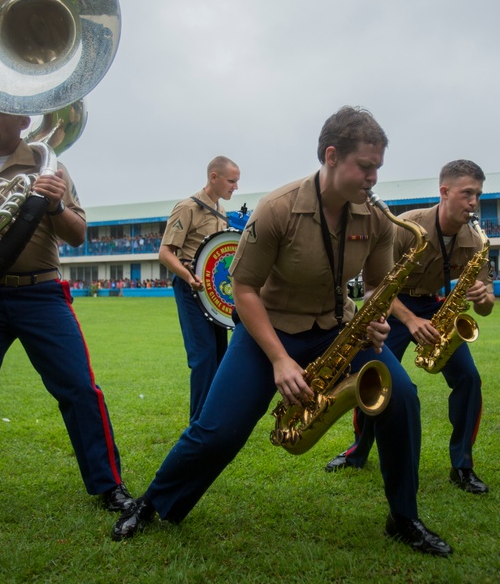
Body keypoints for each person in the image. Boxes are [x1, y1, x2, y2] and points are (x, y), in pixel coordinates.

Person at [112, 106, 452, 556]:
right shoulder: (278, 208)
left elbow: (375, 286)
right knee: (217, 431)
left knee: (402, 396)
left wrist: (375, 314)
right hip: (266, 331)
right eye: (365, 167)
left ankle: (403, 517)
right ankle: (153, 504)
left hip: (336, 329)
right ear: (332, 156)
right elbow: (243, 286)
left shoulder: (377, 217)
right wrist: (279, 359)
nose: (373, 178)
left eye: (377, 168)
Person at [0, 106, 132, 525]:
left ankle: (109, 486)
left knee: (79, 390)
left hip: (42, 294)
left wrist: (53, 204)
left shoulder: (50, 165)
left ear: (22, 122)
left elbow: (77, 234)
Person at [323, 160, 494, 496]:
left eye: (478, 195)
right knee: (376, 378)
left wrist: (484, 295)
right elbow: (379, 287)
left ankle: (462, 466)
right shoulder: (407, 226)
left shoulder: (477, 241)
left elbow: (486, 308)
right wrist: (411, 320)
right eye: (467, 193)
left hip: (435, 305)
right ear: (444, 192)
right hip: (393, 303)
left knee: (469, 379)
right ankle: (358, 452)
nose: (474, 202)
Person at [158, 156, 241, 424]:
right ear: (214, 177)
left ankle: (214, 417)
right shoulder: (187, 208)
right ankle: (199, 423)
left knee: (220, 356)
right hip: (190, 289)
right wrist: (188, 276)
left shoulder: (222, 212)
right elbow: (165, 253)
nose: (235, 187)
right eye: (231, 180)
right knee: (203, 357)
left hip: (216, 296)